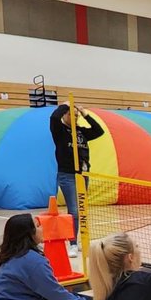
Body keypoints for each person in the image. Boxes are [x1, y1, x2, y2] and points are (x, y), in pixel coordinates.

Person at [50, 102, 104, 247]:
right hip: (67, 175)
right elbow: (54, 118)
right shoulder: (60, 130)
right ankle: (73, 243)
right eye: (71, 114)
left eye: (76, 115)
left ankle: (77, 239)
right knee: (73, 210)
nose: (74, 117)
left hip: (83, 175)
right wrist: (64, 105)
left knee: (81, 209)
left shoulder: (81, 131)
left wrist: (84, 113)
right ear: (65, 115)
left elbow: (99, 131)